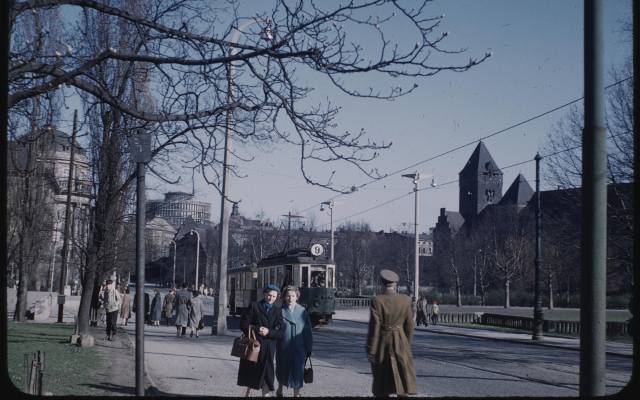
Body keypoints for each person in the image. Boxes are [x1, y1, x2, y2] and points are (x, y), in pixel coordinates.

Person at [366, 269, 417, 397]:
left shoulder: (377, 300)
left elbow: (375, 327)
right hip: (401, 341)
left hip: (383, 343)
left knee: (382, 382)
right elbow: (410, 325)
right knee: (402, 377)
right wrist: (407, 344)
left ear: (382, 283)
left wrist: (371, 350)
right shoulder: (405, 300)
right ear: (395, 284)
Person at [237, 284, 284, 397]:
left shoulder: (278, 311)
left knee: (267, 372)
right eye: (269, 295)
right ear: (264, 294)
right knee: (252, 370)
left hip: (268, 348)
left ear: (277, 297)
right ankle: (248, 392)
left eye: (274, 296)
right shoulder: (254, 306)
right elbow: (243, 324)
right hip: (254, 346)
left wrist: (269, 332)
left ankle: (265, 395)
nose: (271, 298)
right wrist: (258, 329)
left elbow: (281, 332)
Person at [276, 286, 313, 398]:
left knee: (298, 370)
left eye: (293, 296)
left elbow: (307, 331)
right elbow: (275, 329)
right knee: (282, 368)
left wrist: (309, 347)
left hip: (299, 347)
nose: (290, 298)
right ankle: (280, 389)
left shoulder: (302, 311)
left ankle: (296, 394)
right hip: (284, 346)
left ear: (297, 297)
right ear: (284, 297)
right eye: (288, 295)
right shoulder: (280, 311)